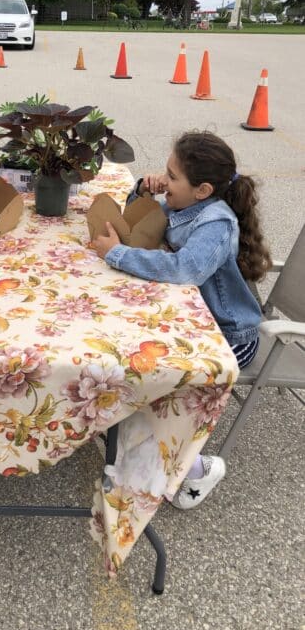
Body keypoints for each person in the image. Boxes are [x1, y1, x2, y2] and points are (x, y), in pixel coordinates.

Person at [93, 130, 271, 509]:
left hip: (228, 335)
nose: (165, 180)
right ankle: (128, 443)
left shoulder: (216, 223)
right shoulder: (184, 203)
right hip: (189, 318)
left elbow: (185, 269)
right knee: (129, 359)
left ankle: (196, 470)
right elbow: (145, 218)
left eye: (172, 176)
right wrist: (144, 188)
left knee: (162, 386)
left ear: (203, 190)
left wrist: (118, 254)